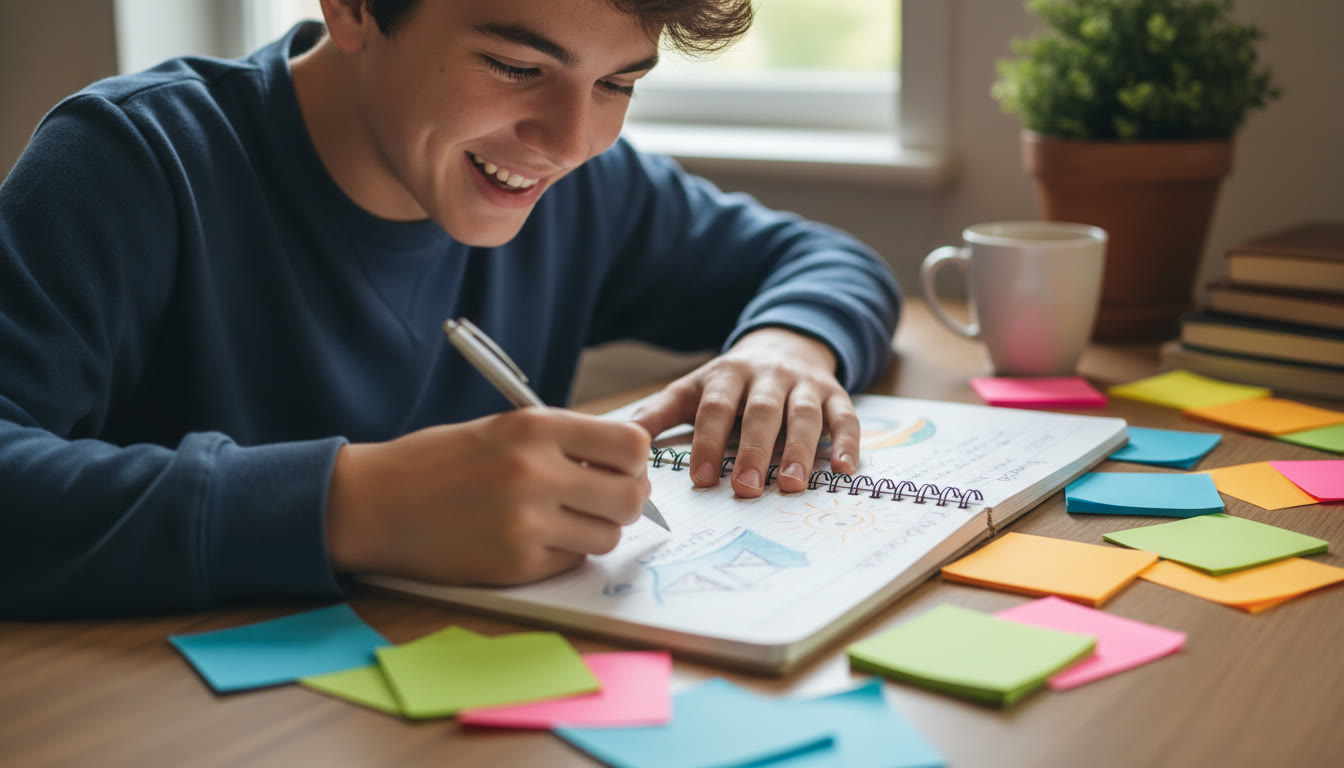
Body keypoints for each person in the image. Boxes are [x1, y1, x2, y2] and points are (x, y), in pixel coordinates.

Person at [0, 0, 900, 618]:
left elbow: (825, 258)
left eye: (619, 84)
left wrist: (792, 345)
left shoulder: (583, 192)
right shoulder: (131, 164)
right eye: (517, 66)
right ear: (351, 7)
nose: (571, 140)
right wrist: (350, 506)